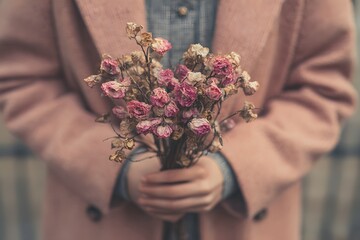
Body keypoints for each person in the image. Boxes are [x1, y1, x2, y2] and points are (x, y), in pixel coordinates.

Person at [0, 0, 357, 240]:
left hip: (244, 222)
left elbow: (323, 90)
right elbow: (23, 80)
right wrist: (117, 167)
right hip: (100, 219)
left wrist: (235, 167)